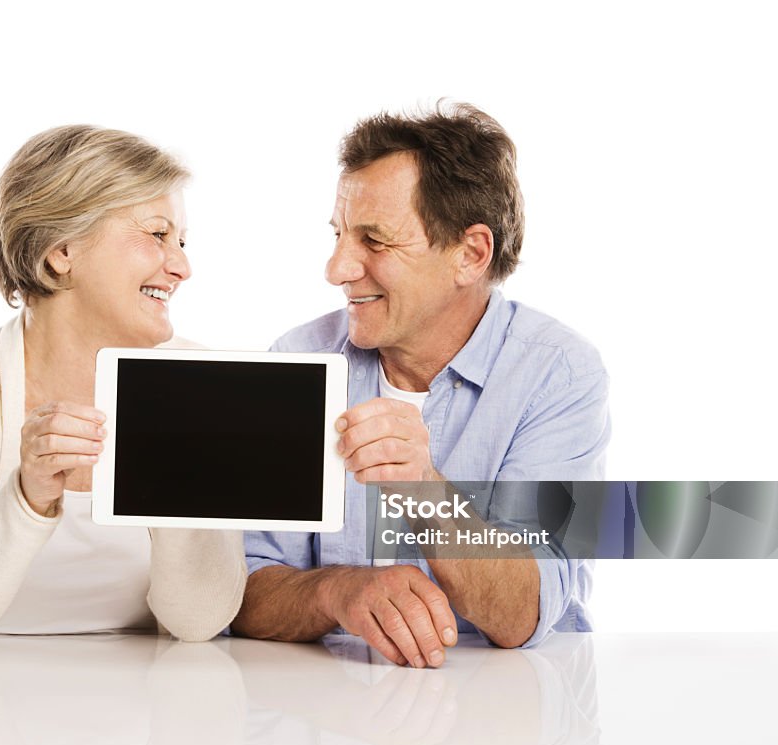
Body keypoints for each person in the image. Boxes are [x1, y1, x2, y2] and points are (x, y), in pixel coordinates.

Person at [232, 102, 609, 667]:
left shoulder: (556, 374)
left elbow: (523, 612)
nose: (336, 268)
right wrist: (337, 591)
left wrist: (423, 488)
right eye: (339, 235)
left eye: (375, 241)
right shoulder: (299, 359)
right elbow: (244, 595)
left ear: (470, 254)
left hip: (508, 713)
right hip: (330, 706)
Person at [0, 126, 246, 654]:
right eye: (157, 234)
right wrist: (29, 497)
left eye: (182, 241)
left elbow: (199, 620)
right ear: (62, 250)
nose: (182, 266)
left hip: (150, 718)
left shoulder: (198, 380)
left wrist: (177, 477)